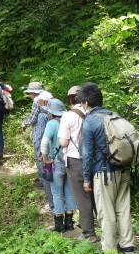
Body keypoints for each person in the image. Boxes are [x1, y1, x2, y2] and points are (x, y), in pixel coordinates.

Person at [80, 82, 134, 254]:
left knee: (106, 210)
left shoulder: (90, 121)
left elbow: (87, 154)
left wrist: (86, 178)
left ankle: (109, 249)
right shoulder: (114, 115)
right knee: (123, 207)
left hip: (104, 172)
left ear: (87, 102)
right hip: (123, 168)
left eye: (82, 102)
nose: (82, 105)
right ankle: (127, 245)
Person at [59, 85, 98, 242]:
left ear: (69, 100)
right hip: (94, 159)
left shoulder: (68, 116)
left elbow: (63, 142)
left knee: (82, 198)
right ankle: (105, 226)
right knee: (96, 195)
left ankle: (89, 233)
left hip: (75, 160)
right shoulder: (92, 113)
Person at [41, 98, 76, 233]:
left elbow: (44, 142)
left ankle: (59, 224)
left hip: (57, 163)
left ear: (51, 112)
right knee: (69, 192)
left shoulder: (52, 124)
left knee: (56, 193)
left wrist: (45, 158)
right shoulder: (69, 121)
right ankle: (70, 223)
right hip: (71, 162)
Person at [33, 91, 55, 213]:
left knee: (47, 178)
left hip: (45, 153)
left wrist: (39, 153)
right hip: (55, 152)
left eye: (40, 101)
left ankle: (52, 205)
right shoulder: (55, 115)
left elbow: (40, 136)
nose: (38, 103)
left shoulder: (42, 116)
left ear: (45, 102)